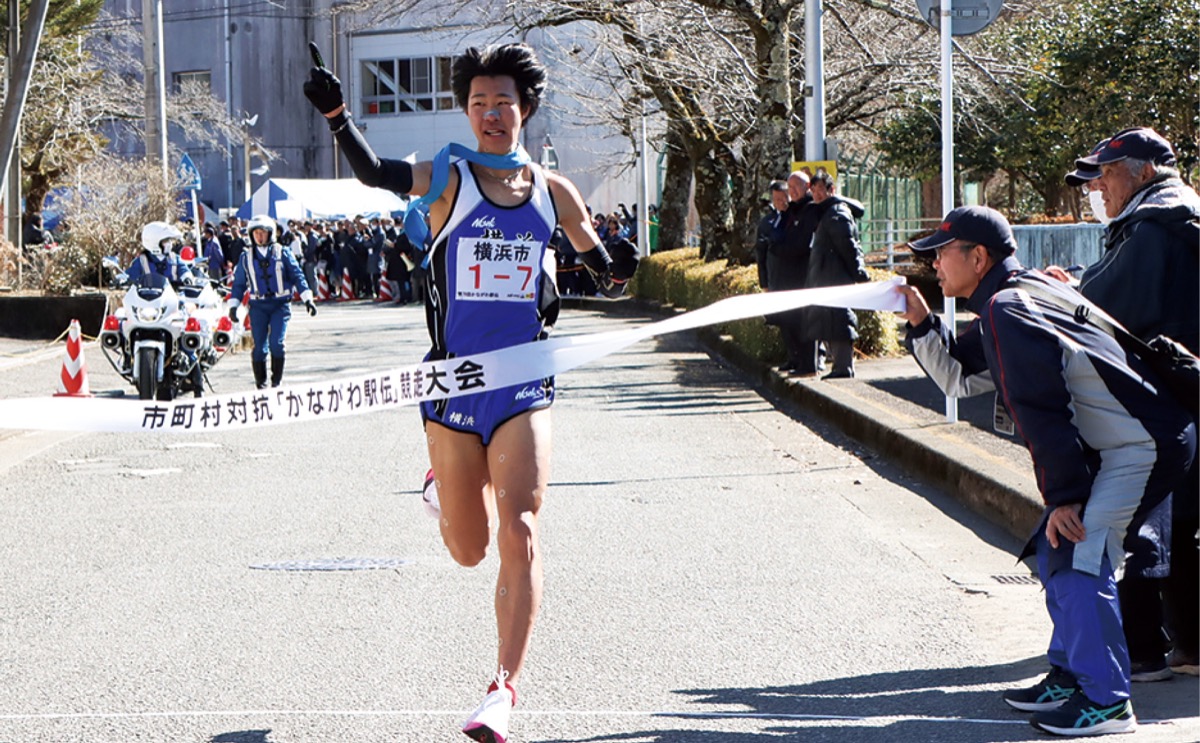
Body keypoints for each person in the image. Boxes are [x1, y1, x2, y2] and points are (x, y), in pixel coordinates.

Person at [305, 41, 635, 742]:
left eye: (503, 102)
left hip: (523, 383)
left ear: (526, 111)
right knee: (468, 548)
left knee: (521, 530)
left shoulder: (555, 192)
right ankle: (440, 484)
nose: (491, 113)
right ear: (467, 110)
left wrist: (618, 270)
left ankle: (502, 690)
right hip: (452, 385)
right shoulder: (449, 177)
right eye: (479, 102)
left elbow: (603, 268)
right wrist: (337, 112)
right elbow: (373, 171)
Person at [897, 206, 1195, 737]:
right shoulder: (1017, 295)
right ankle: (1071, 676)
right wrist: (921, 323)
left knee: (1081, 552)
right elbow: (963, 376)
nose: (934, 265)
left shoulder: (1008, 310)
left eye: (941, 253)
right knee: (1057, 549)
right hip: (1135, 438)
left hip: (1142, 444)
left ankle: (1106, 701)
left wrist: (1065, 496)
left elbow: (1040, 406)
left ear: (978, 257)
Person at [1053, 128, 1200, 681]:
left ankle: (1143, 652)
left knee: (1148, 523)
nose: (1098, 189)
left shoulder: (1149, 228)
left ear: (1141, 173)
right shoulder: (1178, 216)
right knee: (1184, 522)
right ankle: (1188, 644)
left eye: (1106, 175)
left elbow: (1106, 309)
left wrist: (1067, 291)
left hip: (1159, 400)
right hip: (1189, 389)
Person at [226, 214, 316, 390]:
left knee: (277, 343)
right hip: (258, 306)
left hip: (279, 305)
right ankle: (261, 383)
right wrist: (233, 306)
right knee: (259, 346)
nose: (260, 237)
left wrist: (308, 299)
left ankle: (276, 381)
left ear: (271, 234)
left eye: (263, 233)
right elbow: (238, 284)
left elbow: (298, 276)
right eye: (256, 233)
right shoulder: (246, 257)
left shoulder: (283, 252)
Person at [805, 172, 868, 379]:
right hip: (828, 277)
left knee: (839, 321)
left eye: (820, 189)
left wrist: (859, 272)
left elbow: (849, 246)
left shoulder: (836, 213)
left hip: (835, 278)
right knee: (830, 321)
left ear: (832, 190)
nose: (816, 194)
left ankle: (843, 369)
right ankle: (839, 368)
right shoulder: (827, 212)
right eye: (813, 190)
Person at [768, 170, 821, 375]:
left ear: (807, 187)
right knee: (788, 320)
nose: (793, 191)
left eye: (797, 187)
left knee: (804, 321)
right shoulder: (790, 210)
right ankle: (794, 359)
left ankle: (808, 363)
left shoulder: (809, 210)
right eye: (790, 188)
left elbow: (800, 244)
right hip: (786, 277)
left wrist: (778, 248)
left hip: (803, 275)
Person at [126, 221, 195, 286]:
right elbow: (130, 274)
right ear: (154, 242)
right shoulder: (142, 260)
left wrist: (187, 278)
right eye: (165, 241)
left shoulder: (174, 258)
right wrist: (123, 280)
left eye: (169, 240)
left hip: (173, 296)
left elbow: (183, 270)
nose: (169, 243)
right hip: (149, 297)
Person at [754, 180, 788, 291]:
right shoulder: (767, 223)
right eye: (778, 199)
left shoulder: (797, 217)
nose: (782, 202)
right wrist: (764, 283)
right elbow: (761, 254)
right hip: (775, 279)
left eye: (785, 198)